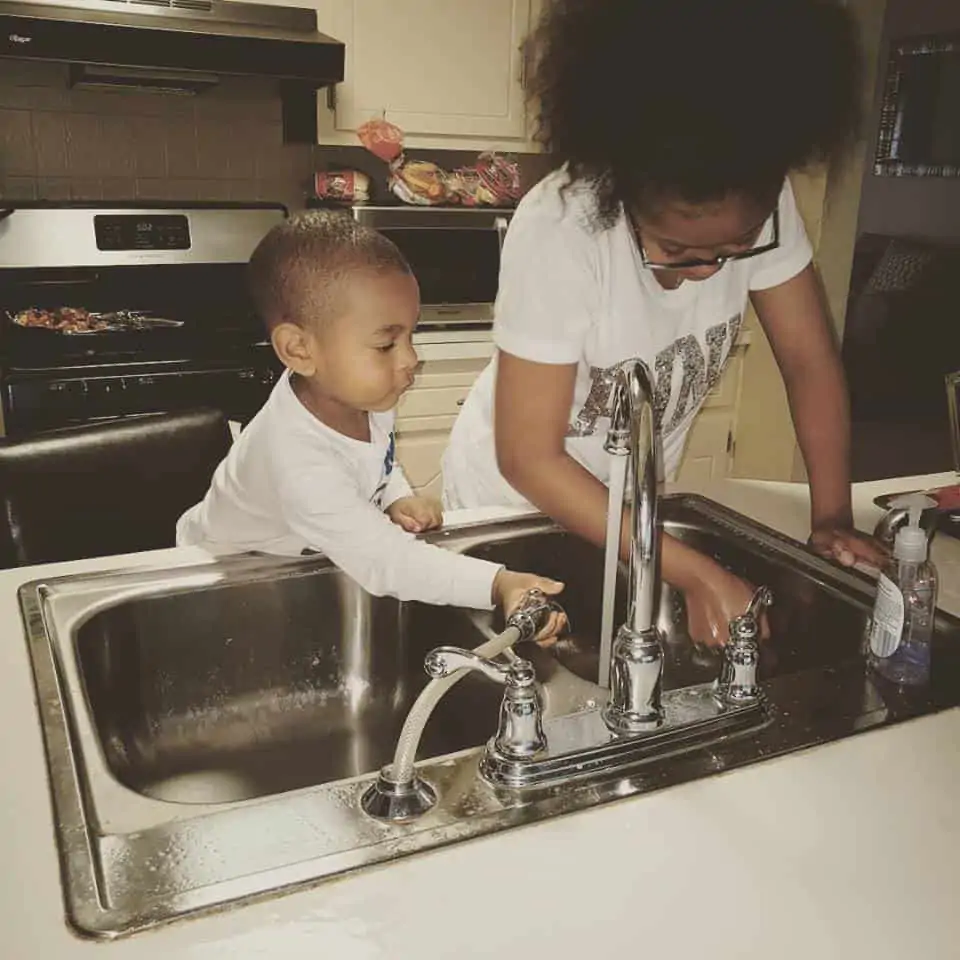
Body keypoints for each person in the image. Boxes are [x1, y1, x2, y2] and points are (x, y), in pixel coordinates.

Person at [443, 0, 885, 647]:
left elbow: (809, 362)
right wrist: (695, 572)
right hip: (514, 514)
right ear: (624, 190)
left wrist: (834, 514)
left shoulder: (765, 197)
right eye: (676, 251)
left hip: (630, 515)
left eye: (736, 250)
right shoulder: (562, 225)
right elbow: (528, 457)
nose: (708, 273)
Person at [177, 210, 564, 635]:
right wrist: (497, 583)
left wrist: (395, 494)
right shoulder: (297, 460)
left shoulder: (365, 397)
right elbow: (387, 561)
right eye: (386, 344)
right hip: (224, 575)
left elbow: (377, 457)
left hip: (300, 553)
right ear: (299, 350)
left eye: (410, 336)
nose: (411, 359)